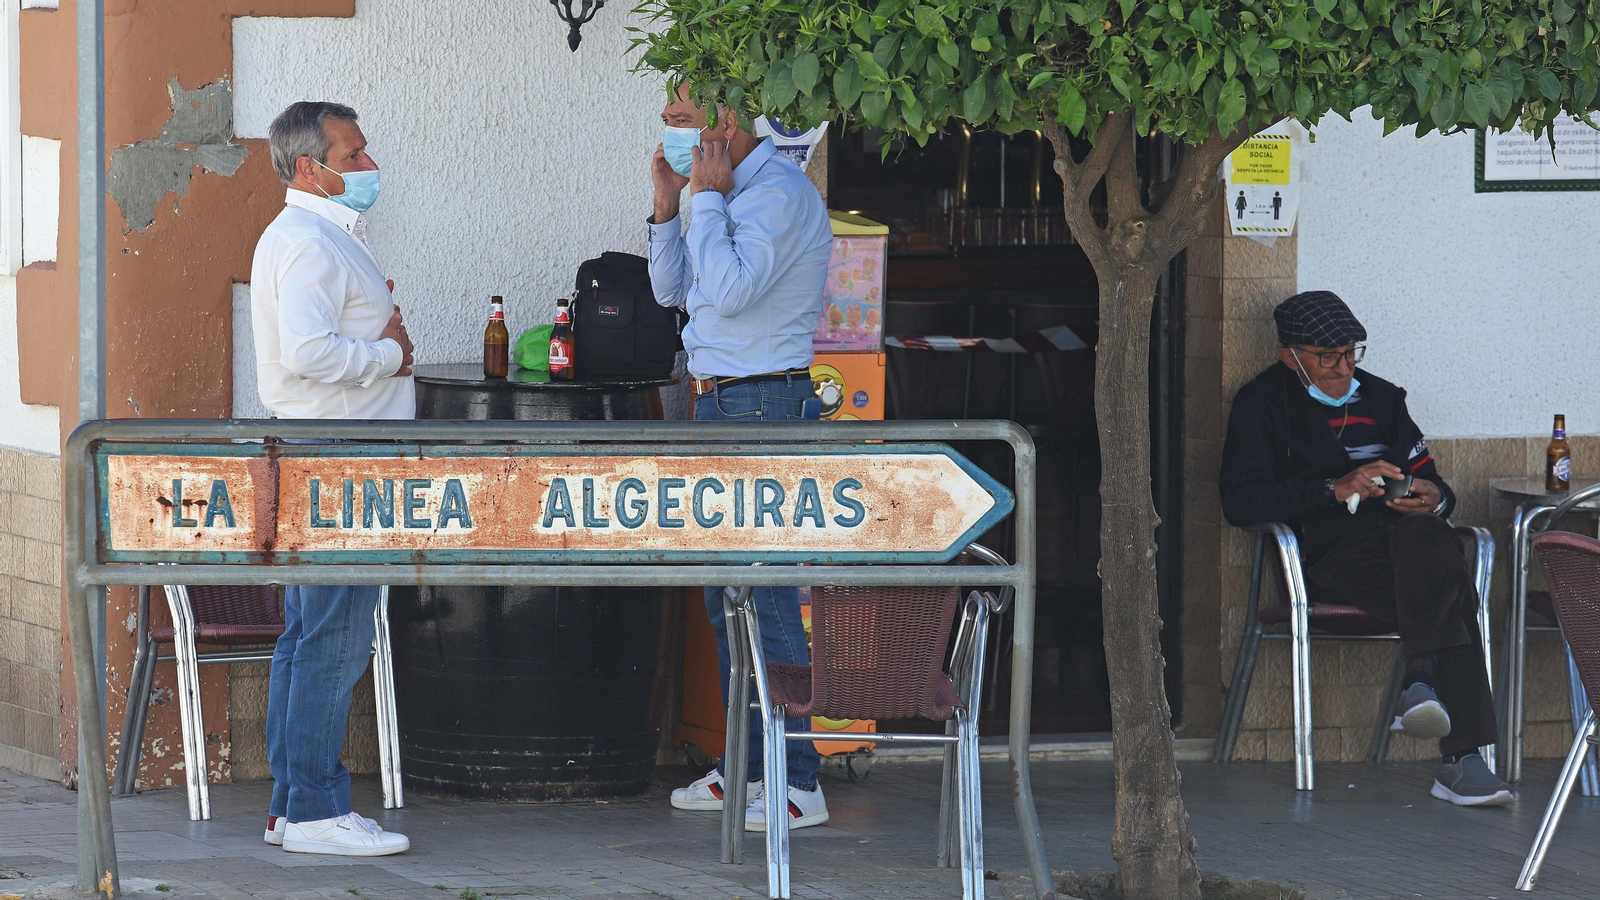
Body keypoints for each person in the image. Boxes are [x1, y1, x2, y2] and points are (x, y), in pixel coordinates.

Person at [1220, 291, 1510, 807]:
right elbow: (1240, 500)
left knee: (1430, 536)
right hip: (1332, 555)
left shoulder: (1381, 398)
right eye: (1326, 357)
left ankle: (1421, 685)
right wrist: (1334, 488)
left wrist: (1433, 498)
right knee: (1449, 581)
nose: (1342, 367)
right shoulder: (1261, 404)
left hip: (1406, 546)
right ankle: (1462, 760)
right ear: (1291, 356)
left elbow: (1433, 481)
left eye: (1350, 353)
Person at [646, 83, 834, 831]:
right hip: (718, 401)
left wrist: (706, 200)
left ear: (726, 122)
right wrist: (671, 205)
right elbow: (673, 292)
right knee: (728, 599)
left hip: (764, 403)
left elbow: (727, 286)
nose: (669, 124)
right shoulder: (714, 194)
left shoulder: (776, 197)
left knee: (769, 594)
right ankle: (745, 764)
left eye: (683, 115)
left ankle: (799, 779)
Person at [250, 101, 414, 855]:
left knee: (309, 633)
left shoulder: (310, 234)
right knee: (337, 637)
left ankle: (293, 805)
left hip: (328, 451)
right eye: (352, 157)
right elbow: (309, 354)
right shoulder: (309, 241)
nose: (368, 167)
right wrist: (389, 356)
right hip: (338, 457)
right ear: (310, 167)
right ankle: (315, 808)